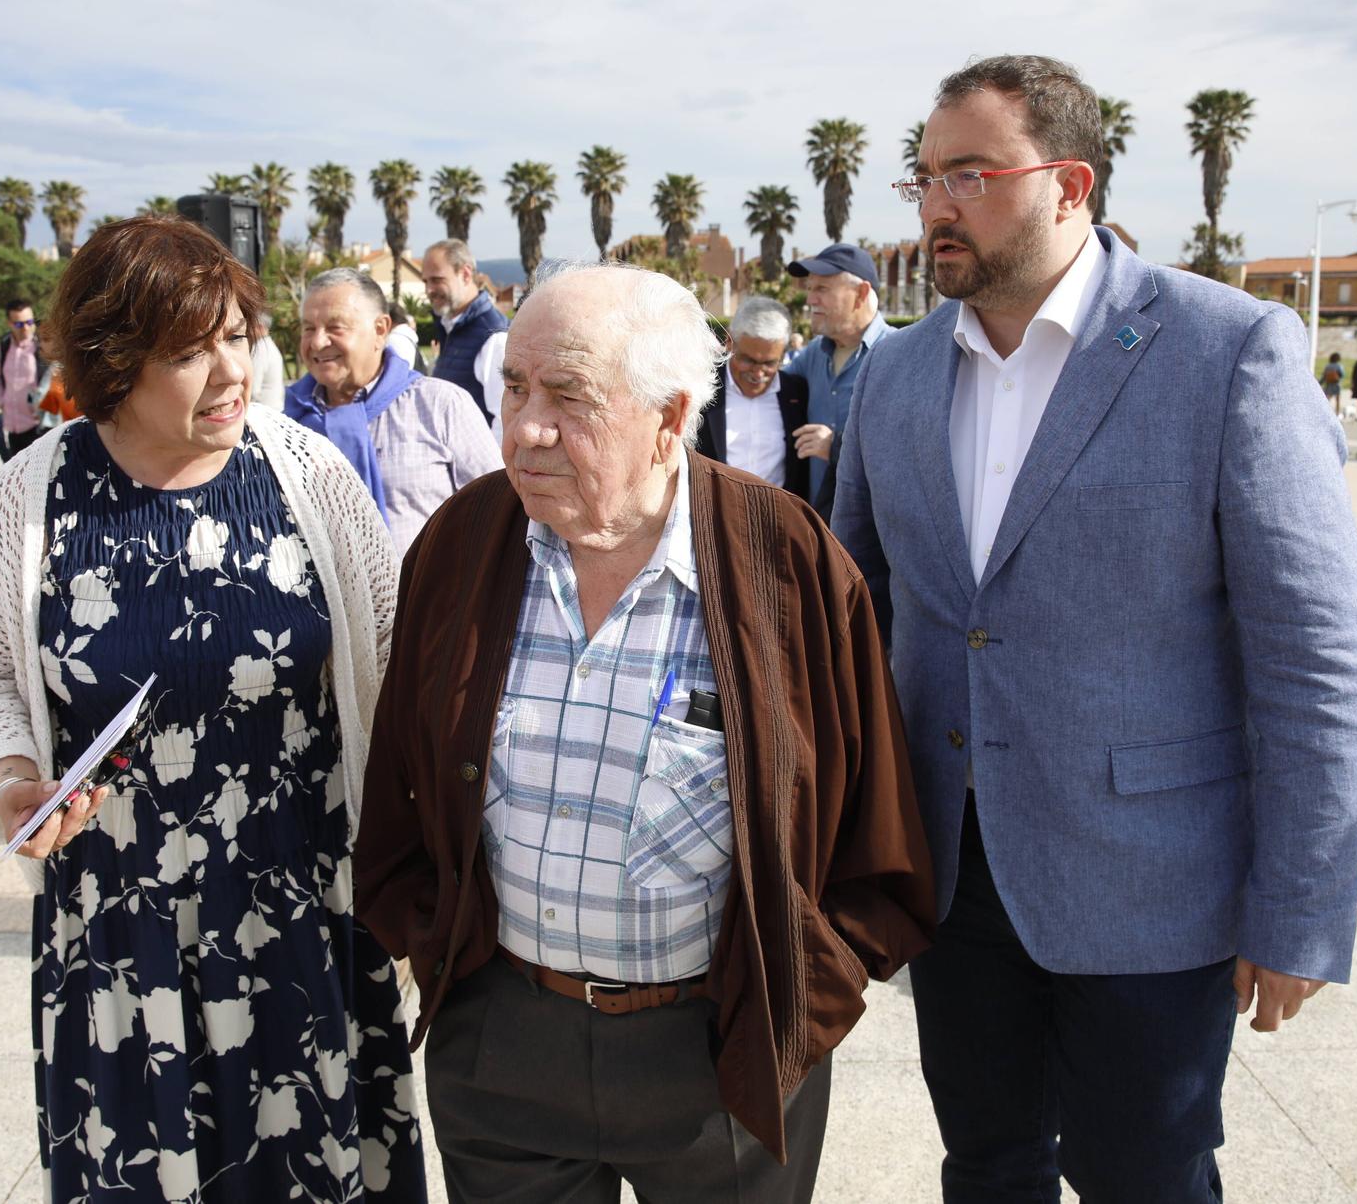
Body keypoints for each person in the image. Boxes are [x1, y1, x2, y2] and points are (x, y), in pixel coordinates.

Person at [837, 54, 1357, 1202]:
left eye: (969, 174)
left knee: (1143, 1176)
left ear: (1068, 184)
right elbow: (853, 616)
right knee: (986, 1165)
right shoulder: (893, 375)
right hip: (954, 876)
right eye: (923, 178)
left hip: (1154, 885)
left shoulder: (1225, 350)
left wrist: (1301, 905)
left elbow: (1313, 656)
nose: (935, 205)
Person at [356, 262, 933, 1203]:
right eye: (514, 387)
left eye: (570, 396)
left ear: (670, 417)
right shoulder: (462, 542)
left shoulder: (785, 561)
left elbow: (875, 821)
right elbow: (398, 778)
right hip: (503, 1043)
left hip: (720, 1057)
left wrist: (806, 988)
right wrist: (438, 949)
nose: (527, 427)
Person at [0, 215, 424, 1203]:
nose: (233, 371)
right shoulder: (32, 495)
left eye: (239, 335)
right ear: (115, 365)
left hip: (305, 911)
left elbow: (397, 652)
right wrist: (11, 778)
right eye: (191, 352)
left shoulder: (307, 474)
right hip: (123, 930)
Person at [285, 267, 501, 557]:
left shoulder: (440, 405)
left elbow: (498, 510)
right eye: (308, 328)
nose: (317, 342)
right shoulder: (288, 423)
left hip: (430, 586)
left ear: (380, 330)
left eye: (335, 327)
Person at [786, 243, 890, 516]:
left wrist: (836, 447)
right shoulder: (812, 355)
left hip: (873, 531)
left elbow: (907, 449)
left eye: (821, 288)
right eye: (810, 288)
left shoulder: (900, 354)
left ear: (861, 294)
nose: (810, 300)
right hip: (818, 527)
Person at [692, 295, 814, 502]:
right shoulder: (700, 387)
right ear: (729, 343)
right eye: (748, 360)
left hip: (779, 515)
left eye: (769, 363)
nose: (758, 373)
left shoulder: (797, 394)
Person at [421, 239, 508, 426]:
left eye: (436, 280)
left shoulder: (494, 337)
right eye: (425, 281)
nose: (429, 290)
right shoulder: (449, 327)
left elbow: (503, 419)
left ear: (466, 274)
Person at [0, 299, 49, 459]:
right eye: (19, 324)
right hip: (13, 427)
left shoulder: (42, 344)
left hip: (38, 427)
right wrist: (2, 401)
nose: (25, 328)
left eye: (29, 322)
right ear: (9, 323)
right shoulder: (4, 344)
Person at [247, 306, 288, 410]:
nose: (248, 330)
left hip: (263, 410)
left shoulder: (260, 349)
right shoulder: (269, 346)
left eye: (251, 326)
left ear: (260, 327)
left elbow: (253, 388)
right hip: (274, 407)